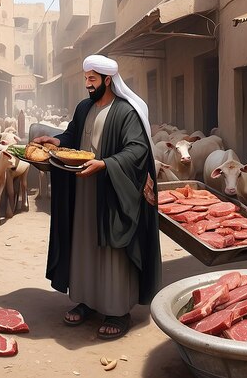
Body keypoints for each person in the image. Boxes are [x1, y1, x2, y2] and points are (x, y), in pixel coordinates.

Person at [33, 54, 161, 340]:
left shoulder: (125, 112)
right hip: (83, 192)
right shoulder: (83, 108)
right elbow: (72, 137)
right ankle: (87, 301)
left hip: (112, 192)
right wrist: (56, 141)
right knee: (84, 246)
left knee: (111, 252)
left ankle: (117, 311)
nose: (87, 85)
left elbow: (137, 150)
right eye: (85, 79)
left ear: (107, 79)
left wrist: (106, 164)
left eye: (92, 79)